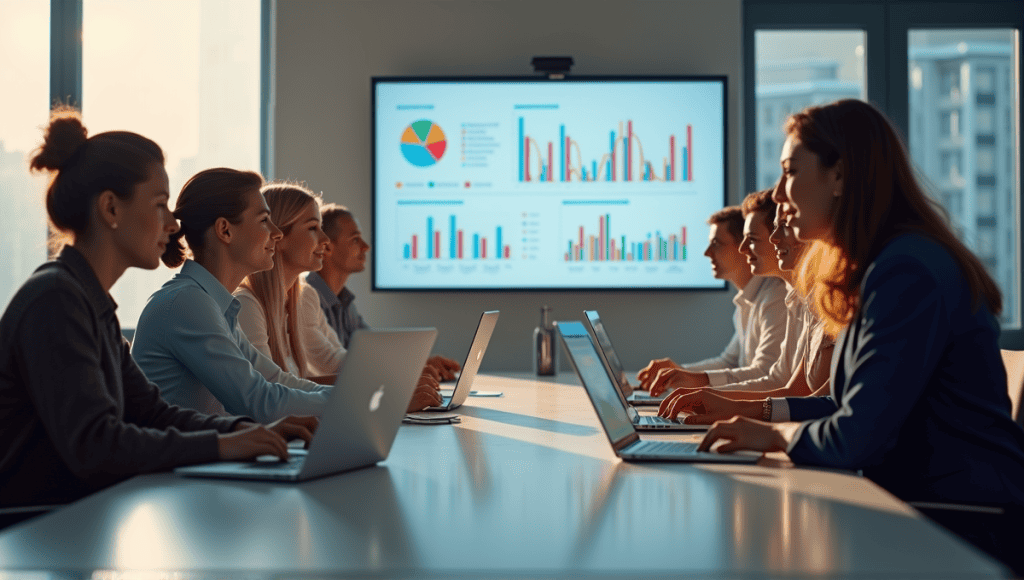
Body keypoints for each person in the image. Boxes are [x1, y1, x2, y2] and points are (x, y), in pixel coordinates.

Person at [691, 99, 1024, 573]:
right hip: (922, 505)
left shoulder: (906, 271)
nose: (780, 196)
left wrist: (773, 434)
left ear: (840, 176)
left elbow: (854, 436)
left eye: (790, 172)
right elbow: (849, 407)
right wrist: (755, 421)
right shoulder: (885, 265)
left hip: (962, 523)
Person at [0, 107, 315, 508]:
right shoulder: (56, 301)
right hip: (37, 530)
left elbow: (151, 412)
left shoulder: (87, 301)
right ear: (111, 208)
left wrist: (241, 432)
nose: (172, 225)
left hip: (78, 518)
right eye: (160, 204)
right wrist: (223, 446)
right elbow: (97, 444)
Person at [131, 168, 335, 423]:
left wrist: (350, 398)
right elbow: (257, 401)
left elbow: (274, 379)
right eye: (263, 220)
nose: (276, 232)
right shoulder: (186, 303)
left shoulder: (213, 304)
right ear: (225, 230)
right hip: (178, 461)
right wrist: (351, 403)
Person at [234, 183, 443, 410]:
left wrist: (397, 378)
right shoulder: (246, 305)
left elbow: (325, 367)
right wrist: (389, 393)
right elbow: (274, 388)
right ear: (278, 236)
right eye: (313, 228)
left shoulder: (301, 298)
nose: (325, 240)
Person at [657, 202, 835, 421]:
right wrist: (694, 385)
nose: (744, 248)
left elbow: (781, 384)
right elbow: (784, 385)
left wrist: (709, 392)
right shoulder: (795, 301)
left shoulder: (781, 298)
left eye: (751, 239)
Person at [636, 206, 787, 394]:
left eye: (716, 243)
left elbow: (766, 373)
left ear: (744, 247)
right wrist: (679, 372)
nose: (707, 252)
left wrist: (696, 379)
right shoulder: (748, 299)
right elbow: (730, 362)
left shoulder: (776, 297)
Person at [308, 204, 461, 380]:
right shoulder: (307, 297)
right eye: (355, 239)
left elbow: (374, 351)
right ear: (326, 247)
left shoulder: (344, 300)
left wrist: (422, 363)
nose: (366, 247)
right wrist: (409, 369)